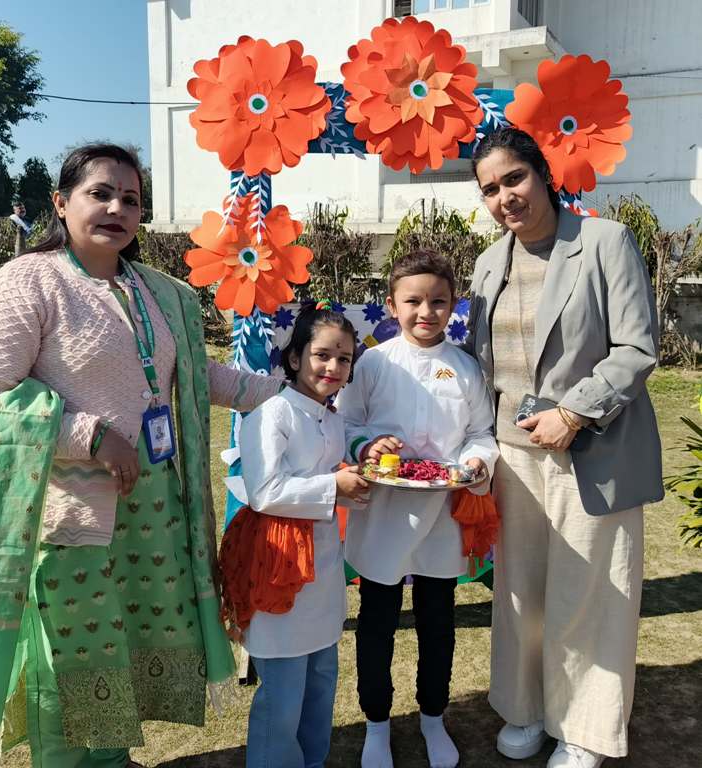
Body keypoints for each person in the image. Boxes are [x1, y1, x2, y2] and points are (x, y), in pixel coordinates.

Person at [0, 144, 282, 768]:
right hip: (73, 514)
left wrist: (291, 392)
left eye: (130, 199)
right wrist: (92, 435)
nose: (116, 209)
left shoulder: (157, 291)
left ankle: (110, 759)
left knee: (121, 647)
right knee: (72, 657)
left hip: (154, 512)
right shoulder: (29, 281)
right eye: (100, 194)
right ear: (60, 203)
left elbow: (196, 375)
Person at [468, 127, 662, 768]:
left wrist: (574, 414)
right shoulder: (488, 263)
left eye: (514, 178)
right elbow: (479, 363)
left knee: (590, 593)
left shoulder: (605, 242)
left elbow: (636, 348)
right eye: (490, 189)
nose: (505, 197)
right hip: (512, 455)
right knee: (519, 593)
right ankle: (524, 707)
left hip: (591, 448)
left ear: (543, 174)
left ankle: (583, 728)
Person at [337, 250, 499, 768]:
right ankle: (376, 724)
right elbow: (346, 422)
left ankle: (433, 717)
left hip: (441, 516)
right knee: (377, 624)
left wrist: (476, 460)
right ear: (391, 304)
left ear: (453, 305)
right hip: (383, 513)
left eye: (438, 301)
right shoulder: (372, 363)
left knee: (437, 622)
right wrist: (367, 446)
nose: (426, 312)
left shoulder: (465, 368)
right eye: (413, 301)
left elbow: (480, 431)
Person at [227, 303, 367, 768]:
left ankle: (312, 761)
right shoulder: (272, 413)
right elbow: (265, 492)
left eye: (344, 358)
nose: (333, 367)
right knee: (283, 694)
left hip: (321, 567)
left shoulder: (332, 417)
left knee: (320, 681)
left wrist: (357, 486)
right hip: (278, 564)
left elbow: (329, 484)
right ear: (294, 358)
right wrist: (334, 487)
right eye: (322, 355)